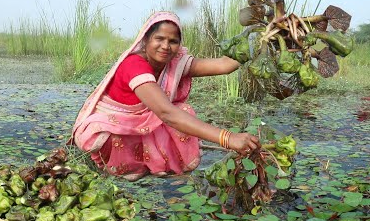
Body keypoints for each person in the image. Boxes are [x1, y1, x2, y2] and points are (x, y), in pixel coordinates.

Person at [68, 11, 260, 181]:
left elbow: (224, 65)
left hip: (139, 126)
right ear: (146, 40)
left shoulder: (174, 63)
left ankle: (153, 163)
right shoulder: (134, 65)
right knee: (174, 115)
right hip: (112, 129)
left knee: (183, 111)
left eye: (173, 41)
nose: (165, 46)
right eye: (159, 39)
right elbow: (166, 113)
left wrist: (261, 38)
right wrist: (228, 138)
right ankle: (127, 165)